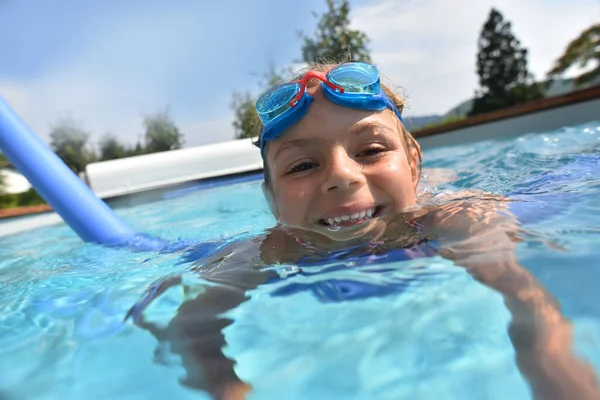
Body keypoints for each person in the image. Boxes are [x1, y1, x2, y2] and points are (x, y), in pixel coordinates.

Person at [127, 62, 599, 400]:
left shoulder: (459, 219)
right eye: (303, 165)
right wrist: (227, 387)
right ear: (271, 199)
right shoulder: (273, 249)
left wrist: (551, 366)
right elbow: (191, 325)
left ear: (413, 163)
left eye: (371, 150)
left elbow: (527, 301)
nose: (342, 176)